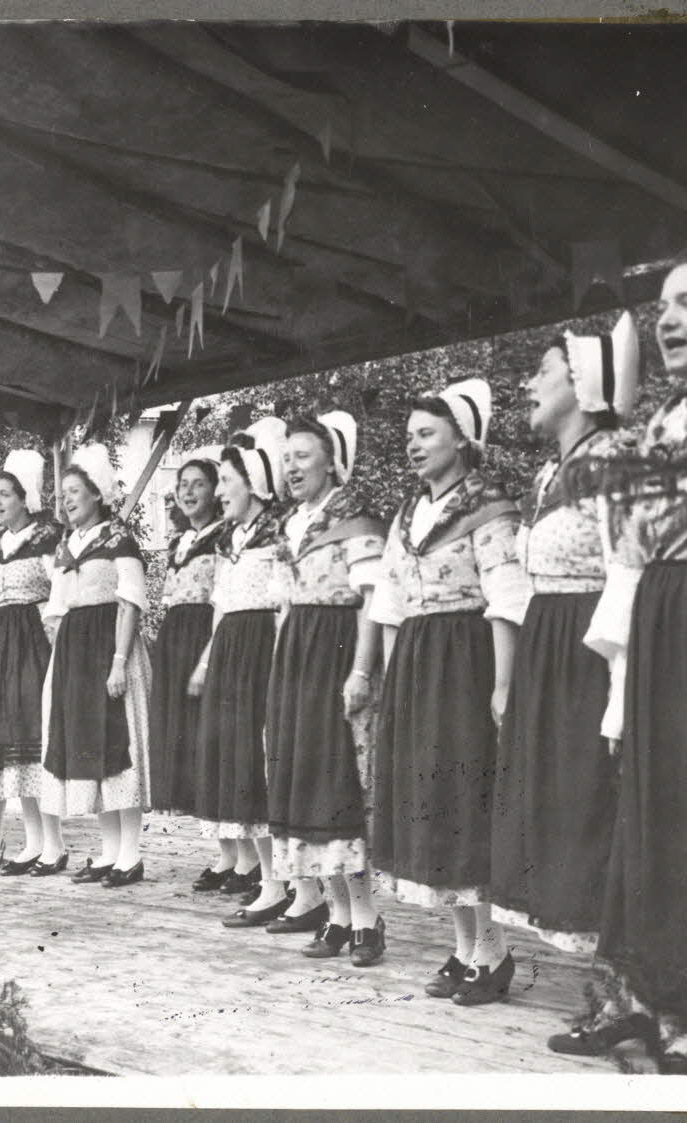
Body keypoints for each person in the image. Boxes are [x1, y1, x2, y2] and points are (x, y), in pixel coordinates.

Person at [555, 243, 687, 1074]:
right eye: (664, 307)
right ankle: (645, 1004)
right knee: (653, 817)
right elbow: (627, 556)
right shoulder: (661, 425)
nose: (668, 319)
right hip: (662, 627)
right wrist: (623, 686)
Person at [369, 379, 529, 1004]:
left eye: (426, 434)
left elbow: (507, 598)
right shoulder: (408, 515)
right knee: (431, 802)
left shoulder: (491, 508)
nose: (413, 445)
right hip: (416, 663)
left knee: (464, 803)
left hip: (464, 661)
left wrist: (502, 685)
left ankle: (492, 953)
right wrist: (389, 682)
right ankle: (465, 950)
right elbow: (388, 601)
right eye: (409, 435)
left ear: (462, 439)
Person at [490, 318, 639, 956]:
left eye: (543, 371)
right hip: (548, 647)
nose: (529, 384)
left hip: (591, 650)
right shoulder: (550, 474)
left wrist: (621, 688)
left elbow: (630, 573)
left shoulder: (615, 462)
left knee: (594, 802)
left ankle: (623, 986)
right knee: (554, 801)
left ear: (581, 385)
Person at [265, 413, 388, 964]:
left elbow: (371, 601)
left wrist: (361, 672)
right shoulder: (292, 524)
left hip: (338, 650)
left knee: (338, 787)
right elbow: (284, 605)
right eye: (287, 457)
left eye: (303, 456)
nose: (291, 466)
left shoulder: (356, 522)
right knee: (307, 784)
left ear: (333, 461)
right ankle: (336, 917)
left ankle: (367, 921)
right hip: (298, 657)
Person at [189, 418, 298, 925]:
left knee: (263, 766)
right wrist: (208, 660)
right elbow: (220, 606)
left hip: (263, 653)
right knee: (237, 767)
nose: (220, 491)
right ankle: (271, 882)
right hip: (230, 652)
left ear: (252, 481)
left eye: (228, 481)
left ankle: (291, 886)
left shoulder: (280, 532)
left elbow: (284, 608)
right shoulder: (230, 537)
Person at [41, 443, 152, 886]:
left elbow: (131, 602)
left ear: (97, 495)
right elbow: (56, 606)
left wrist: (119, 661)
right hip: (74, 652)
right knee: (89, 748)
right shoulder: (68, 544)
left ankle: (131, 855)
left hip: (110, 645)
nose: (67, 501)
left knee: (117, 746)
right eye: (62, 494)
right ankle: (107, 853)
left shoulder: (118, 539)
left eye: (75, 492)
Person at [0, 450, 61, 870]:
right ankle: (31, 841)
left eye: (5, 494)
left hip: (35, 641)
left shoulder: (48, 539)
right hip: (0, 647)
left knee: (34, 737)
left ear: (25, 498)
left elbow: (60, 594)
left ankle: (54, 844)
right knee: (9, 742)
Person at [147, 447, 227, 889]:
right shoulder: (178, 543)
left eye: (198, 483)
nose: (189, 492)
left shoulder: (225, 537)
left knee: (209, 744)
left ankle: (241, 859)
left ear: (216, 490)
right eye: (182, 485)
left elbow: (220, 601)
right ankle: (223, 855)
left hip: (206, 637)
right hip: (176, 640)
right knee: (187, 749)